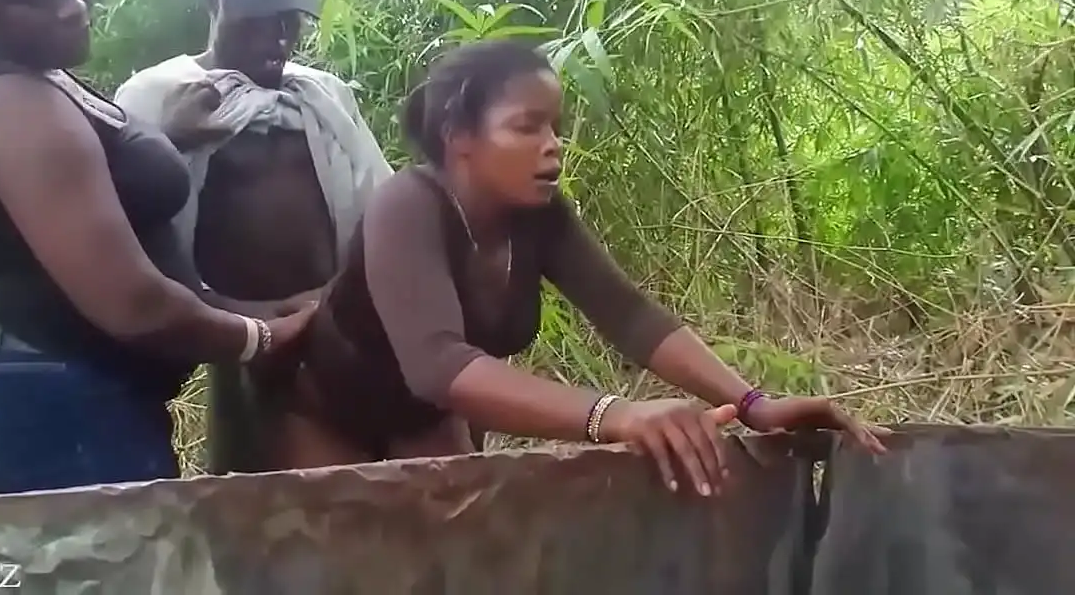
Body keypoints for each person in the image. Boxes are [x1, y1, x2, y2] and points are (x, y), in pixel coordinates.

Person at [274, 39, 889, 493]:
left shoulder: (539, 217)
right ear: (459, 135)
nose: (553, 145)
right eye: (526, 126)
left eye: (556, 127)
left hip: (423, 418)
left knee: (458, 557)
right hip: (327, 409)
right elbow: (441, 366)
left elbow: (629, 316)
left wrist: (753, 403)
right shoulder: (407, 205)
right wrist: (616, 416)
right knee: (345, 559)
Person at [0, 0, 312, 498]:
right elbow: (132, 303)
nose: (70, 4)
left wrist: (253, 309)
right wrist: (257, 338)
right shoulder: (7, 102)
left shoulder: (24, 69)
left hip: (72, 399)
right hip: (51, 408)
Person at [113, 0, 391, 472]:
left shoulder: (322, 96)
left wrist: (338, 296)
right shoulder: (157, 97)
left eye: (289, 23)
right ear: (214, 2)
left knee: (363, 473)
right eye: (258, 21)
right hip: (235, 331)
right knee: (253, 485)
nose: (277, 40)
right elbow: (124, 221)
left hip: (333, 320)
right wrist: (170, 140)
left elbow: (378, 205)